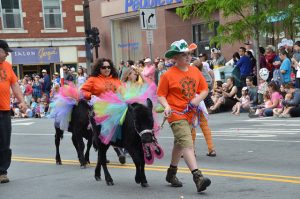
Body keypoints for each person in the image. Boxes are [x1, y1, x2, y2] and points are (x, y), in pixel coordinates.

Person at [157, 39, 211, 193]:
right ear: (175, 58)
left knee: (179, 144)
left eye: (188, 54)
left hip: (190, 113)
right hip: (175, 114)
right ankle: (198, 177)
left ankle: (171, 174)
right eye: (183, 55)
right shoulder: (167, 75)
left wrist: (196, 100)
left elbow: (204, 89)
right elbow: (161, 95)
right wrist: (166, 106)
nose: (187, 57)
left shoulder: (195, 71)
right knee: (187, 142)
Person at [81, 58, 126, 164]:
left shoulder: (115, 79)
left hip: (116, 108)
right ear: (99, 69)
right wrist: (91, 96)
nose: (106, 69)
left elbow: (123, 92)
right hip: (100, 109)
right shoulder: (93, 79)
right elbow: (82, 91)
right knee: (107, 127)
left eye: (108, 67)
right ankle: (117, 150)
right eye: (104, 67)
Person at [0, 40, 27, 183]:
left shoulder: (8, 66)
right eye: (6, 52)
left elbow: (15, 85)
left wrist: (22, 101)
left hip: (4, 110)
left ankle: (2, 172)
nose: (7, 55)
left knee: (4, 142)